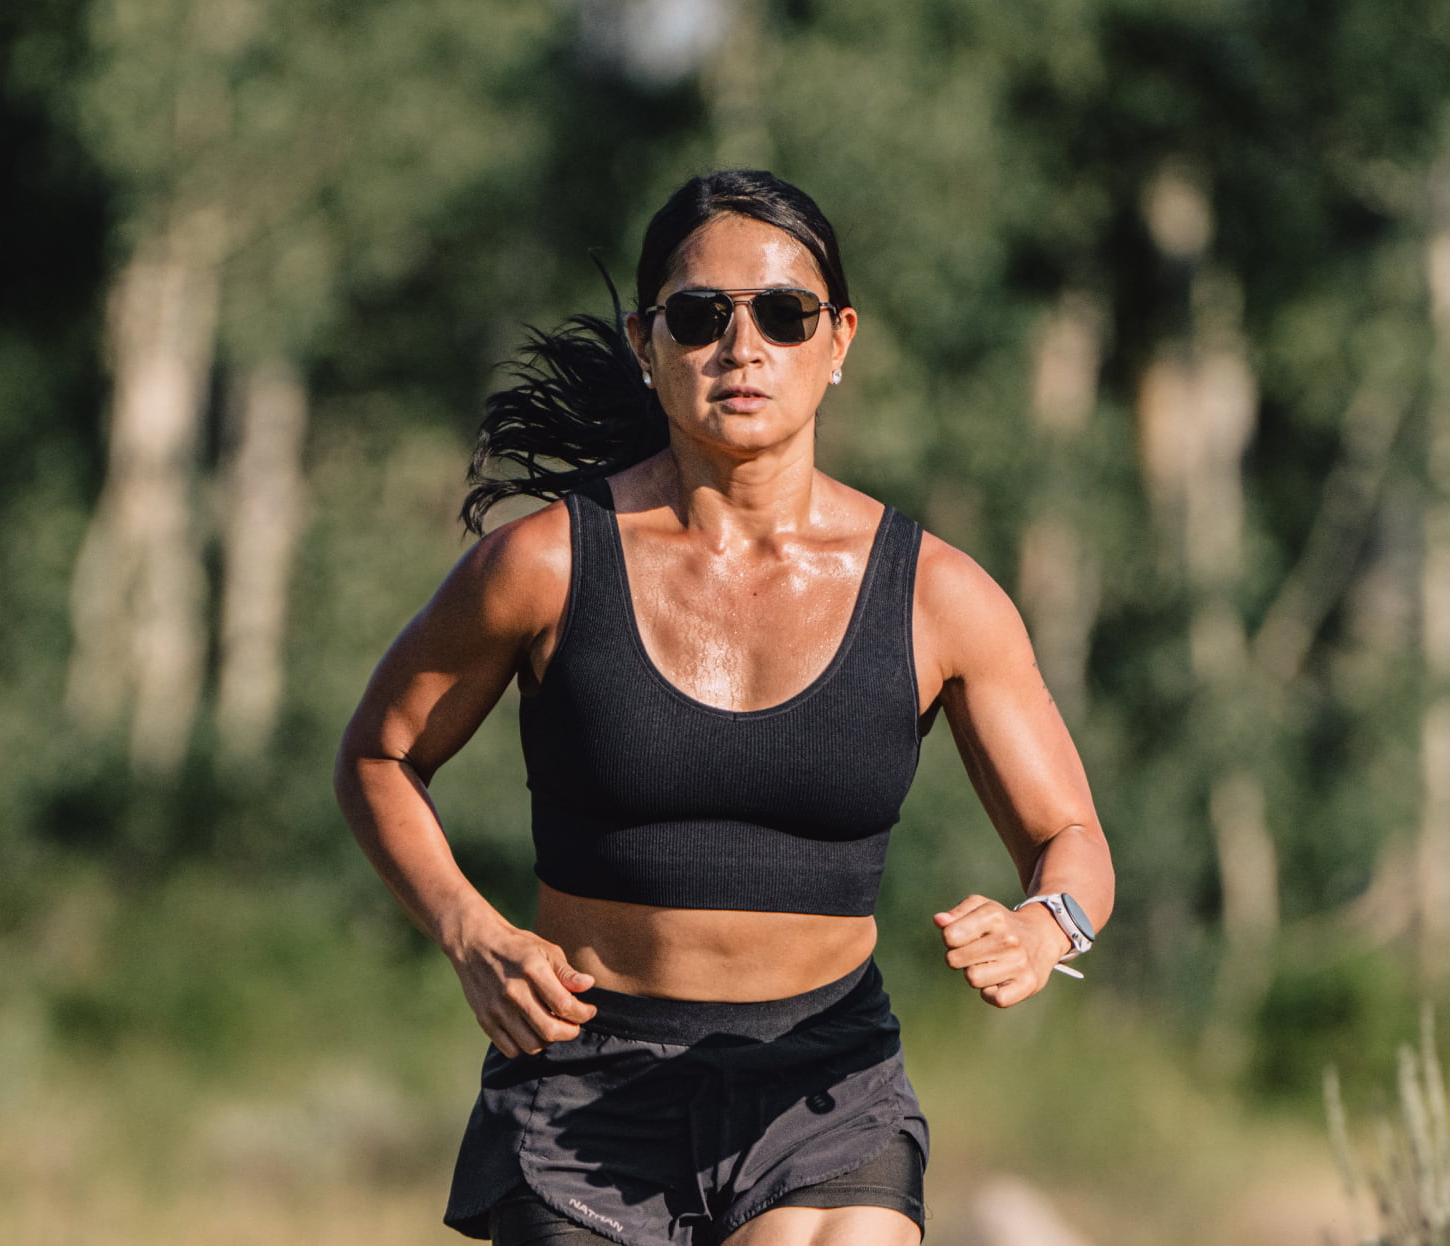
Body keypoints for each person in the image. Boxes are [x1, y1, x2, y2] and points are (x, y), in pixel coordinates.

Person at [334, 169, 1112, 1246]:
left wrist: (1046, 923)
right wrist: (468, 931)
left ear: (838, 340)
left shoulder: (939, 596)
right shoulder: (546, 566)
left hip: (824, 1089)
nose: (741, 348)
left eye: (783, 315)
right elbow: (377, 756)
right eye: (700, 317)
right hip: (583, 1088)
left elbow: (1070, 836)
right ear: (647, 340)